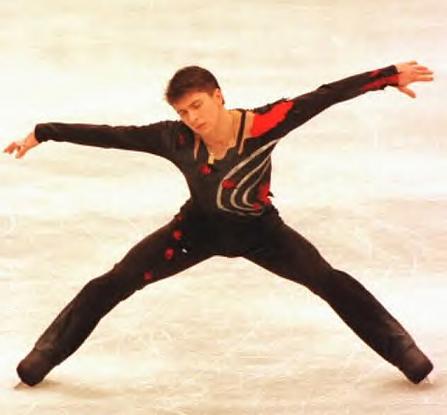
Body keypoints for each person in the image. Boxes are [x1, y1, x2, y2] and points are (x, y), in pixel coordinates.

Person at [4, 60, 435, 387]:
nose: (193, 118)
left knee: (329, 280)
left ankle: (404, 351)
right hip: (194, 232)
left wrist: (387, 76)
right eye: (184, 111)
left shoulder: (264, 123)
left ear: (218, 96)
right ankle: (45, 355)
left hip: (262, 233)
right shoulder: (174, 138)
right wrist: (44, 132)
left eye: (197, 105)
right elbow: (113, 135)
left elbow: (323, 96)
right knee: (114, 281)